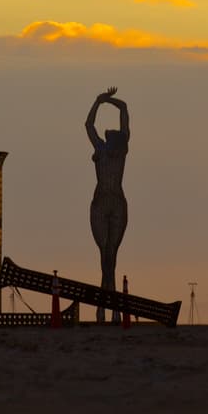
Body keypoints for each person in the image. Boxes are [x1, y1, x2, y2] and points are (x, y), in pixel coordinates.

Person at [86, 86, 129, 323]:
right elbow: (88, 126)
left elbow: (124, 110)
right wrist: (98, 101)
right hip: (100, 205)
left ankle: (109, 308)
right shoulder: (100, 150)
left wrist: (109, 101)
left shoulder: (121, 152)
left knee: (112, 254)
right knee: (105, 255)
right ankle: (105, 307)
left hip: (117, 205)